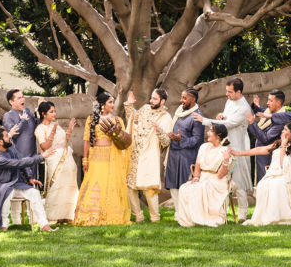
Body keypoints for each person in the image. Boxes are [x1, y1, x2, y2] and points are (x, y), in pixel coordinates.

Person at [193, 77, 252, 221]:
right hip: (224, 145)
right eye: (227, 91)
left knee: (239, 182)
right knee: (222, 180)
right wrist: (220, 116)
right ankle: (221, 213)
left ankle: (243, 215)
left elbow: (228, 124)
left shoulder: (244, 108)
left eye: (230, 92)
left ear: (239, 92)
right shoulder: (229, 101)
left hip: (238, 145)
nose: (227, 94)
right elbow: (225, 119)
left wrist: (205, 120)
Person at [237, 122, 291, 225]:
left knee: (277, 184)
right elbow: (261, 149)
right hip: (275, 175)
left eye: (285, 130)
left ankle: (282, 217)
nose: (282, 131)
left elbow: (284, 166)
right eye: (283, 129)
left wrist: (283, 146)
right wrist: (239, 153)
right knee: (262, 185)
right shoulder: (278, 144)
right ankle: (266, 216)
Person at [73, 93, 131, 226]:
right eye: (110, 102)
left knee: (110, 184)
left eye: (113, 102)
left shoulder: (117, 120)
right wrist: (85, 159)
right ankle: (91, 215)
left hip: (112, 157)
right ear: (102, 104)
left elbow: (122, 140)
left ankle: (111, 215)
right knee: (95, 182)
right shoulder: (91, 119)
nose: (112, 105)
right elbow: (86, 140)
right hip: (95, 157)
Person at [0, 128, 58, 231]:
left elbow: (21, 161)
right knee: (5, 194)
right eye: (6, 136)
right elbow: (19, 163)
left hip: (17, 184)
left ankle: (44, 225)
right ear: (0, 141)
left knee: (34, 193)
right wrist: (41, 157)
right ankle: (3, 226)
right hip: (3, 186)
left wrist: (29, 178)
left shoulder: (11, 148)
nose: (9, 137)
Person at [124, 88, 172, 223]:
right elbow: (133, 118)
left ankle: (155, 217)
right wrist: (129, 105)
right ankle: (138, 216)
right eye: (151, 97)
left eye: (155, 99)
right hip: (135, 152)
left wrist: (159, 130)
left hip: (150, 155)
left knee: (149, 186)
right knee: (130, 185)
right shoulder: (145, 108)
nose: (151, 101)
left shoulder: (166, 117)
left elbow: (166, 141)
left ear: (162, 101)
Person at [174, 124, 235, 227]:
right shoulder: (203, 146)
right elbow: (197, 165)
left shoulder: (224, 151)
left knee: (200, 188)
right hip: (202, 177)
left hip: (217, 181)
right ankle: (189, 219)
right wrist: (196, 177)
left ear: (218, 136)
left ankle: (204, 218)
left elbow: (220, 175)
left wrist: (225, 160)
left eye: (211, 131)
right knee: (184, 188)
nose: (208, 133)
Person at [34, 101, 78, 224]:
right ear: (43, 114)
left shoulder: (56, 125)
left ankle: (68, 215)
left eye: (54, 111)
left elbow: (64, 141)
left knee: (69, 186)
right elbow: (44, 147)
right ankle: (54, 216)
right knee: (58, 186)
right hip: (53, 159)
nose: (54, 113)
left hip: (66, 158)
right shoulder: (40, 129)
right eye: (51, 112)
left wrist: (69, 129)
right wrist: (52, 132)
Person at [163, 88, 205, 201]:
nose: (181, 100)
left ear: (193, 99)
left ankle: (187, 214)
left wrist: (181, 140)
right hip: (173, 154)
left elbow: (198, 139)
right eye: (181, 97)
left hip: (187, 156)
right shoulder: (179, 112)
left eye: (184, 98)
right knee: (173, 185)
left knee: (185, 185)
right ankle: (178, 213)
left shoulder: (197, 116)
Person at [247, 90, 289, 184]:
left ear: (278, 103)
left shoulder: (280, 120)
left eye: (270, 101)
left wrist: (252, 123)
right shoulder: (269, 111)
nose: (267, 103)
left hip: (268, 156)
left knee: (265, 181)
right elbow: (261, 111)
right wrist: (256, 105)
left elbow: (265, 138)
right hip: (261, 154)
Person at [3, 88, 40, 178]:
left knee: (34, 186)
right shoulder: (8, 116)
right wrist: (23, 120)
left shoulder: (27, 111)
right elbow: (13, 134)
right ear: (11, 102)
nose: (23, 99)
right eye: (19, 98)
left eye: (23, 97)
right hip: (19, 158)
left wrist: (40, 111)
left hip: (33, 155)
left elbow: (37, 126)